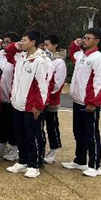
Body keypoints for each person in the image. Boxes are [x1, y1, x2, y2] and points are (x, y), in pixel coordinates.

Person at [62, 28, 101, 177]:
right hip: (78, 101)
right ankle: (80, 160)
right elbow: (73, 53)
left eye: (88, 38)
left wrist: (92, 102)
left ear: (97, 41)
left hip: (89, 103)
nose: (84, 40)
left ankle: (95, 165)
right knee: (78, 132)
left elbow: (99, 83)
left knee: (91, 134)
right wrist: (75, 43)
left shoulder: (98, 58)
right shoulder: (82, 55)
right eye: (84, 38)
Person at [5, 30, 49, 178]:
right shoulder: (20, 57)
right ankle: (22, 161)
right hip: (17, 103)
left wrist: (38, 105)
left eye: (24, 40)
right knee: (20, 134)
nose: (21, 43)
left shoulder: (39, 61)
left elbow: (42, 85)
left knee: (31, 136)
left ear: (33, 42)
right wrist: (15, 46)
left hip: (30, 106)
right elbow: (8, 53)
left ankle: (33, 165)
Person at [42, 34, 66, 164]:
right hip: (41, 99)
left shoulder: (59, 62)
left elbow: (58, 83)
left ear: (55, 45)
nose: (45, 48)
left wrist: (47, 93)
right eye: (44, 45)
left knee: (52, 126)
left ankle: (54, 149)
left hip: (51, 100)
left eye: (48, 45)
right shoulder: (43, 59)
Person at [0, 32, 20, 161]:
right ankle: (2, 144)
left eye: (8, 42)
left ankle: (14, 148)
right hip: (1, 97)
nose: (5, 45)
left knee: (12, 125)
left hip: (11, 98)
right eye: (4, 42)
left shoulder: (17, 58)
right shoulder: (2, 56)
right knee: (1, 124)